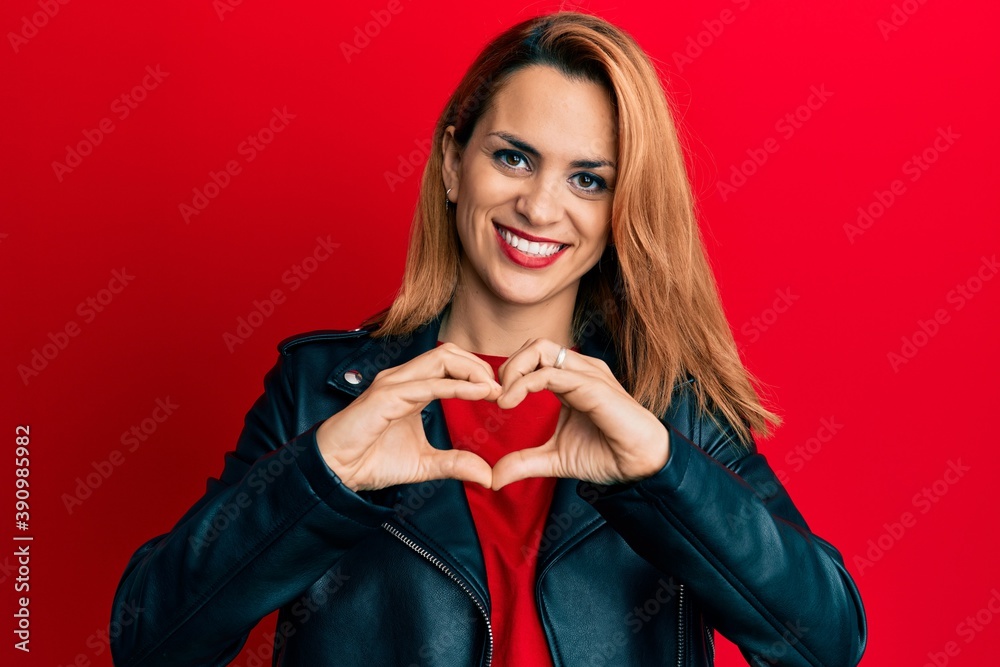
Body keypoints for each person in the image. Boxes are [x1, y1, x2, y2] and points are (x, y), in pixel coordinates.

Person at [110, 10, 866, 667]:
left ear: (620, 210)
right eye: (513, 157)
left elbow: (826, 641)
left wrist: (664, 479)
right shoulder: (320, 391)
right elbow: (150, 641)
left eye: (588, 180)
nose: (540, 205)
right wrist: (324, 478)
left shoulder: (668, 405)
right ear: (452, 164)